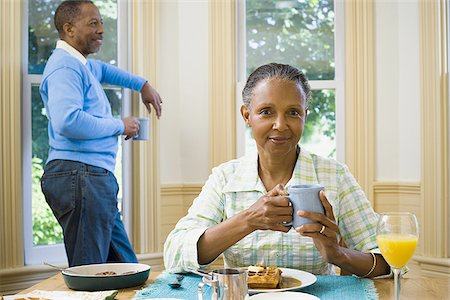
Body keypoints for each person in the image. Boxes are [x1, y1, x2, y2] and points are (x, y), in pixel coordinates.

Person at [163, 63, 391, 277]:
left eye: (293, 112)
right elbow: (174, 254)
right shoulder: (225, 178)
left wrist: (339, 255)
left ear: (305, 116)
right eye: (266, 112)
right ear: (247, 116)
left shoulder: (335, 176)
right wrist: (248, 220)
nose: (280, 125)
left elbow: (388, 261)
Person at [39, 0, 162, 267]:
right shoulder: (64, 67)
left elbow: (106, 70)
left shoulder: (81, 64)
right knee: (91, 272)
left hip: (92, 179)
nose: (101, 30)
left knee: (125, 268)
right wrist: (121, 125)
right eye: (93, 23)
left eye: (101, 23)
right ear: (69, 29)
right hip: (81, 177)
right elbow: (68, 121)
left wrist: (142, 85)